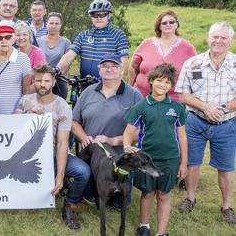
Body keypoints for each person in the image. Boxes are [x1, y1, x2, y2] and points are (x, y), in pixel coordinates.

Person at [175, 21, 236, 224]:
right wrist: (206, 107)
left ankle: (227, 206)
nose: (218, 41)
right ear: (208, 38)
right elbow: (183, 95)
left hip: (226, 124)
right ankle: (190, 198)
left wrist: (222, 109)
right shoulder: (193, 63)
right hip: (195, 122)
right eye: (215, 37)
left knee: (226, 167)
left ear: (230, 41)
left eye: (223, 38)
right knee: (192, 163)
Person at [17, 65, 91, 231]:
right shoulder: (25, 100)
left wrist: (60, 175)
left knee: (83, 172)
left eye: (46, 81)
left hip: (52, 153)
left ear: (54, 82)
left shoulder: (62, 106)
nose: (42, 84)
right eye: (38, 80)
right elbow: (13, 123)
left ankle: (70, 205)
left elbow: (63, 143)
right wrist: (27, 114)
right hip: (29, 156)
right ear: (33, 81)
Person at [123, 63, 188, 236]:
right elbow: (128, 132)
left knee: (164, 195)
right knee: (148, 193)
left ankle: (161, 232)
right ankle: (144, 226)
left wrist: (183, 163)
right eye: (159, 80)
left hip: (170, 159)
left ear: (171, 85)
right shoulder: (141, 106)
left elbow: (182, 137)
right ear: (151, 80)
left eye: (167, 82)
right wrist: (126, 146)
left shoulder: (177, 108)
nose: (163, 85)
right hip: (146, 159)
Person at [71, 54, 142, 207]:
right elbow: (74, 122)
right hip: (91, 155)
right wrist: (84, 137)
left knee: (119, 205)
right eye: (105, 66)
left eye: (114, 66)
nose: (109, 69)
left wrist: (112, 140)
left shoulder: (134, 95)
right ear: (99, 70)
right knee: (89, 197)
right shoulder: (88, 92)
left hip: (119, 157)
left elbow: (141, 130)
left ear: (122, 70)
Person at [129, 10, 196, 101]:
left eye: (171, 22)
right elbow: (133, 67)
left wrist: (194, 95)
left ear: (177, 24)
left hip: (172, 101)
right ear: (159, 26)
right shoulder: (146, 43)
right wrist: (130, 88)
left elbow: (196, 72)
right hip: (141, 97)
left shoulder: (188, 47)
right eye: (164, 23)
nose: (168, 24)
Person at [56, 0, 129, 79]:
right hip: (85, 83)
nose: (98, 18)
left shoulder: (118, 35)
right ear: (91, 17)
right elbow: (69, 56)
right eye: (94, 15)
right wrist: (57, 68)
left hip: (107, 84)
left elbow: (124, 62)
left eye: (102, 15)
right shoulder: (83, 35)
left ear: (109, 15)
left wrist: (118, 80)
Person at [0, 21, 32, 115]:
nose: (4, 41)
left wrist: (22, 110)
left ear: (14, 39)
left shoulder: (23, 59)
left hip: (15, 115)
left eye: (8, 37)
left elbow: (26, 91)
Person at [37, 13, 71, 100]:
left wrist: (53, 77)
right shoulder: (38, 41)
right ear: (47, 24)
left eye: (57, 24)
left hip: (59, 82)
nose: (54, 26)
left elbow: (66, 64)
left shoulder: (66, 42)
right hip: (41, 81)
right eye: (51, 23)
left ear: (60, 25)